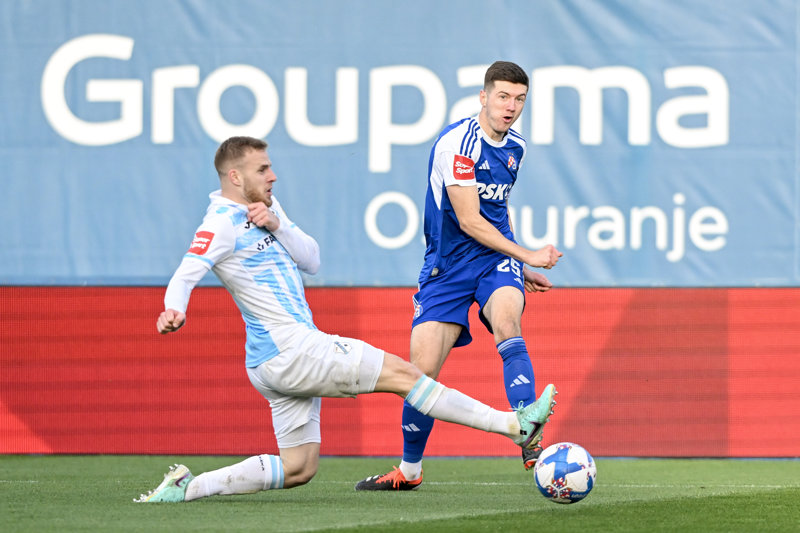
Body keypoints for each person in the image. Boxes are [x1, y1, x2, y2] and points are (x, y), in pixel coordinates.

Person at [134, 135, 557, 503]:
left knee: (298, 468)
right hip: (291, 350)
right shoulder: (220, 223)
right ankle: (513, 426)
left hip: (274, 362)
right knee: (407, 375)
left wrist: (277, 224)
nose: (273, 176)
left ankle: (188, 487)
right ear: (234, 177)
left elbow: (312, 260)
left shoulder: (266, 208)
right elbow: (188, 270)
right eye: (262, 169)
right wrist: (175, 308)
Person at [355, 61, 562, 491]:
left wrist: (517, 266)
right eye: (503, 97)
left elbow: (496, 211)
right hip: (445, 268)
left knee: (507, 322)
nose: (511, 107)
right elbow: (468, 220)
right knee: (420, 374)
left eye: (519, 99)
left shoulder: (517, 147)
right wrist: (528, 255)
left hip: (493, 260)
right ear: (483, 97)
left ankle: (528, 433)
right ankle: (410, 471)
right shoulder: (458, 145)